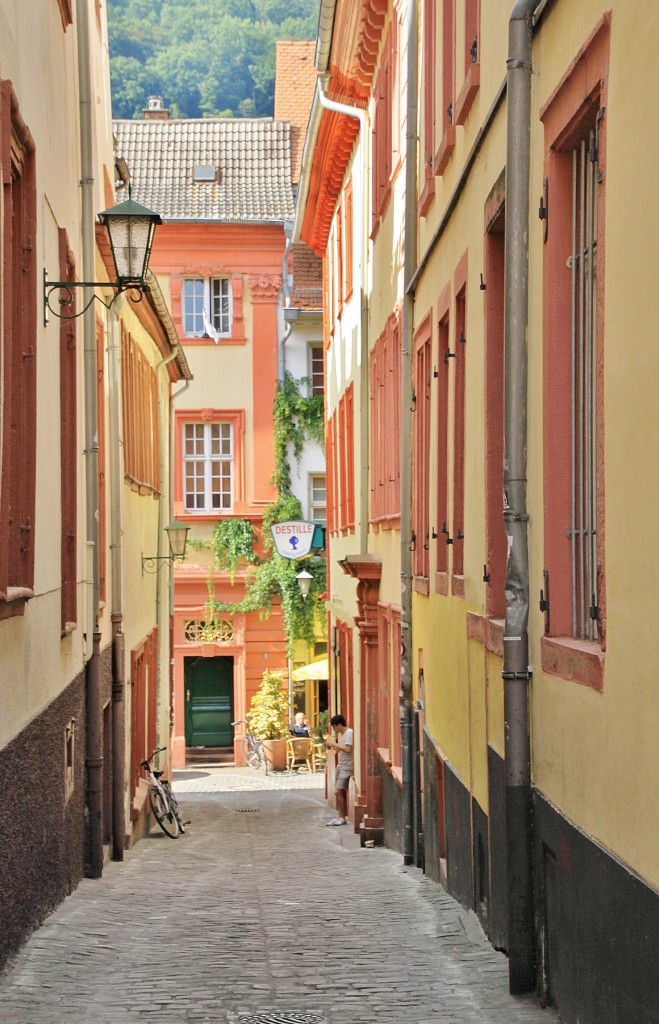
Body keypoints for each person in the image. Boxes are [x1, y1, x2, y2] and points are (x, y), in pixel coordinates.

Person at [325, 714, 353, 826]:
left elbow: (348, 749)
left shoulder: (349, 733)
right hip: (341, 765)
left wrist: (334, 744)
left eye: (334, 727)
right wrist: (332, 746)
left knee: (337, 791)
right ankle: (340, 816)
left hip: (347, 766)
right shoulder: (341, 734)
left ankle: (342, 818)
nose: (334, 729)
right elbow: (341, 750)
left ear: (339, 725)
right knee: (339, 792)